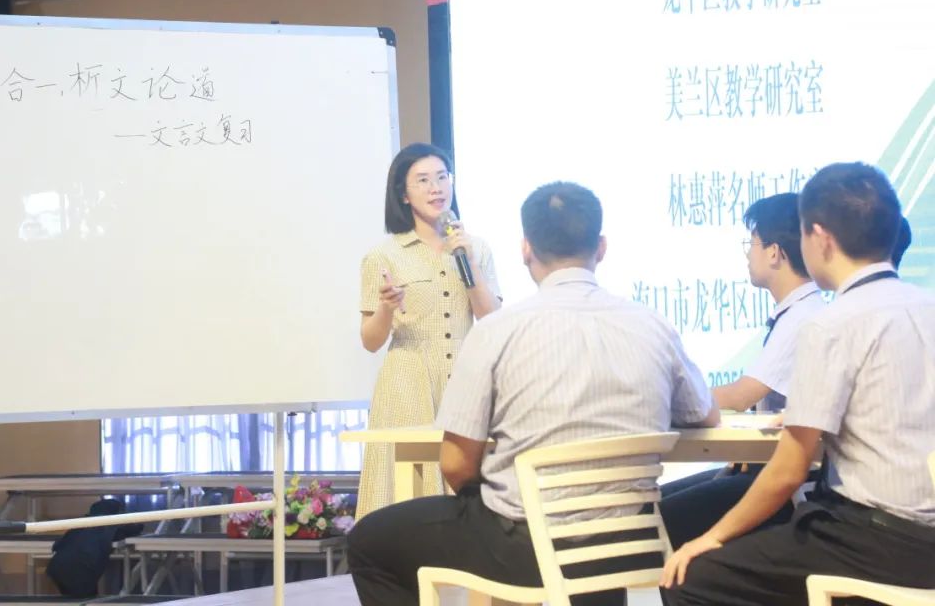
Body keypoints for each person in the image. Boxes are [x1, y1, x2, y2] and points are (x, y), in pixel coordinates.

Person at [349, 181, 719, 606]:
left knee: (369, 542)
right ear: (601, 248)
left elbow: (455, 463)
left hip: (525, 549)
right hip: (628, 540)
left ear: (526, 249)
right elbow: (704, 414)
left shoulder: (498, 331)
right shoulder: (653, 324)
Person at [661, 162, 935, 605]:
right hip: (922, 538)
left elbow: (789, 470)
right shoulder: (926, 307)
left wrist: (710, 537)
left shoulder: (832, 324)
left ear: (820, 238)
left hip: (870, 539)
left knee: (690, 576)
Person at [660, 193, 825, 548]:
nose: (748, 255)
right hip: (773, 466)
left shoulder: (802, 317)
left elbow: (741, 395)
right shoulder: (799, 312)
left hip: (792, 485)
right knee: (660, 504)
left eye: (752, 244)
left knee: (660, 517)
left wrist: (676, 398)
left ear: (774, 252)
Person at [355, 142, 502, 520]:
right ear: (404, 195)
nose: (436, 188)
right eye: (422, 180)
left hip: (465, 379)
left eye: (442, 177)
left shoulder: (475, 247)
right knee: (410, 492)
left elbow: (491, 318)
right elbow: (370, 341)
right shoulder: (384, 255)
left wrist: (468, 261)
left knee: (469, 484)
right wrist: (386, 308)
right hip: (409, 384)